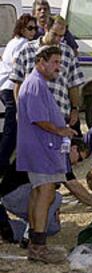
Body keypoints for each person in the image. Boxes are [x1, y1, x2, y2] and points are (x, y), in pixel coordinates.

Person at [16, 45, 77, 264]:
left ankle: (35, 244)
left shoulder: (37, 84)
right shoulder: (34, 84)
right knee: (45, 194)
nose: (58, 68)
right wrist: (60, 130)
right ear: (41, 62)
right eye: (55, 62)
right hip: (40, 149)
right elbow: (38, 118)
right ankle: (39, 248)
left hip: (41, 148)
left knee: (39, 193)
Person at [0, 138, 92, 245]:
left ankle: (9, 229)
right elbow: (74, 186)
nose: (77, 163)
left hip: (21, 196)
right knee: (55, 197)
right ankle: (32, 237)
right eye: (79, 159)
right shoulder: (60, 155)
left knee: (53, 228)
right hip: (14, 194)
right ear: (73, 148)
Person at [10, 15, 84, 136]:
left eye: (61, 36)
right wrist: (20, 109)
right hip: (33, 116)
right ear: (46, 28)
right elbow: (18, 82)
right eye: (55, 34)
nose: (58, 39)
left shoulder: (68, 53)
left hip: (59, 114)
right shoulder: (27, 50)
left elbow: (73, 84)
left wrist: (75, 109)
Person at [0, 14, 37, 175]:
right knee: (12, 130)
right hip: (11, 86)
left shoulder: (12, 42)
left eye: (35, 28)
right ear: (22, 28)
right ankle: (2, 165)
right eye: (30, 28)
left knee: (13, 129)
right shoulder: (23, 43)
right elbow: (17, 64)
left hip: (4, 86)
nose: (33, 32)